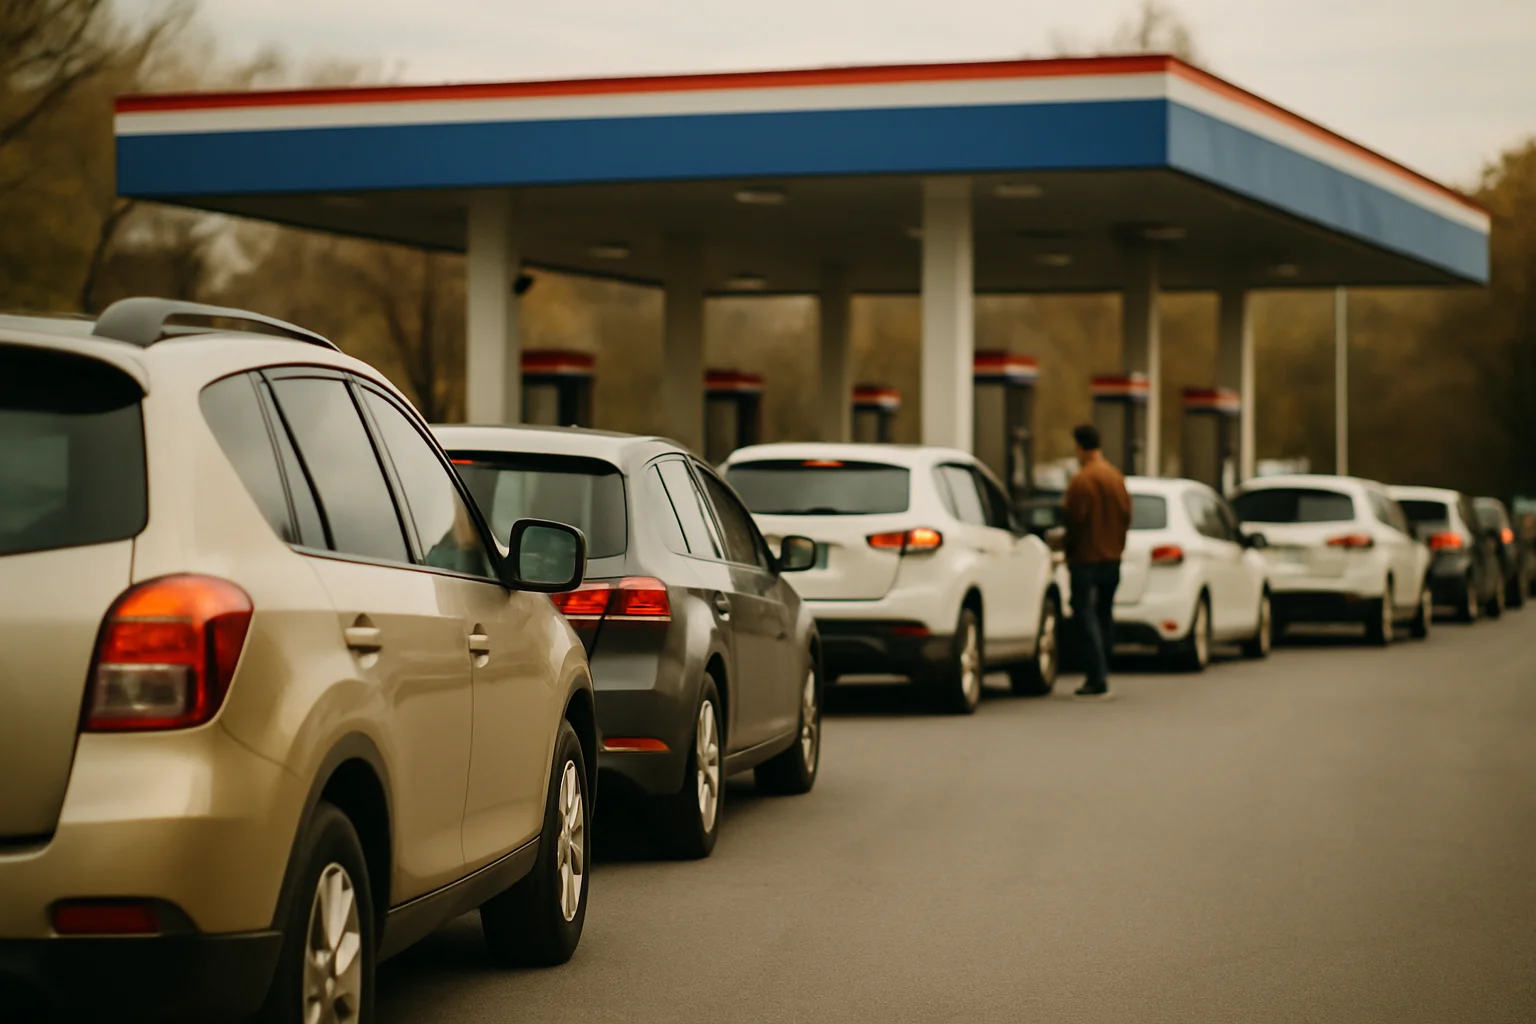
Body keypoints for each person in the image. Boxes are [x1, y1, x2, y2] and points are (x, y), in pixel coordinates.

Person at [1062, 423, 1131, 700]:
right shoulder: (1116, 477)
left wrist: (1067, 548)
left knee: (1084, 613)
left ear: (1080, 446)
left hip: (1086, 558)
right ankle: (1104, 665)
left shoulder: (1082, 480)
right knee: (1105, 613)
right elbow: (1126, 515)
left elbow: (1074, 520)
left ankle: (1096, 675)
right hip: (1112, 558)